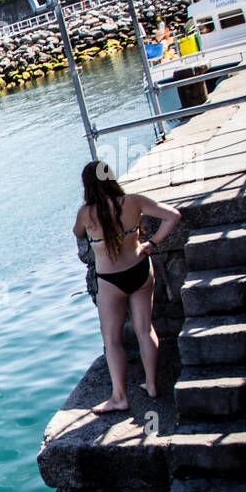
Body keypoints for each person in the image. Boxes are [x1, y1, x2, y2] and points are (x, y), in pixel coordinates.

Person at [72, 160, 181, 413]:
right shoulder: (133, 201)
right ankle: (152, 385)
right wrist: (152, 244)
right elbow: (173, 216)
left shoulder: (86, 213)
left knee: (112, 340)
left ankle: (120, 397)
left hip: (111, 282)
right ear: (111, 177)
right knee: (145, 329)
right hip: (140, 270)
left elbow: (78, 233)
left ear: (87, 185)